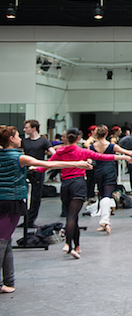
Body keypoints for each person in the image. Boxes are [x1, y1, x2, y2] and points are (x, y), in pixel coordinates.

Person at [0, 125, 92, 291]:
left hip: (3, 200)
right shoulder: (18, 157)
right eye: (17, 135)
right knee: (2, 241)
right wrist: (77, 163)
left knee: (5, 240)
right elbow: (49, 164)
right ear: (11, 139)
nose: (21, 137)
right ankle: (6, 282)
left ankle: (9, 282)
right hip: (11, 201)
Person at [35, 127, 132, 259]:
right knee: (72, 216)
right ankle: (68, 244)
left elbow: (47, 165)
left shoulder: (60, 151)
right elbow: (103, 157)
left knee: (73, 217)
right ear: (77, 138)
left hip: (65, 185)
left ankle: (76, 246)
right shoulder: (82, 151)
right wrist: (123, 157)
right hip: (78, 185)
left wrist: (35, 168)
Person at [90, 125, 132, 234]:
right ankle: (105, 221)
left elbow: (89, 159)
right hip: (109, 171)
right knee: (107, 196)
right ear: (106, 134)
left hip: (98, 172)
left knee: (102, 194)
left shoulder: (91, 146)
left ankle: (105, 221)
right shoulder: (111, 146)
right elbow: (129, 152)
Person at [21, 119, 56, 228]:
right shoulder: (24, 141)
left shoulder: (43, 141)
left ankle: (30, 220)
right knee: (25, 196)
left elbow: (54, 154)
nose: (24, 129)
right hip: (26, 171)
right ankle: (26, 219)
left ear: (33, 128)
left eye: (27, 128)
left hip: (38, 172)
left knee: (36, 197)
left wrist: (46, 165)